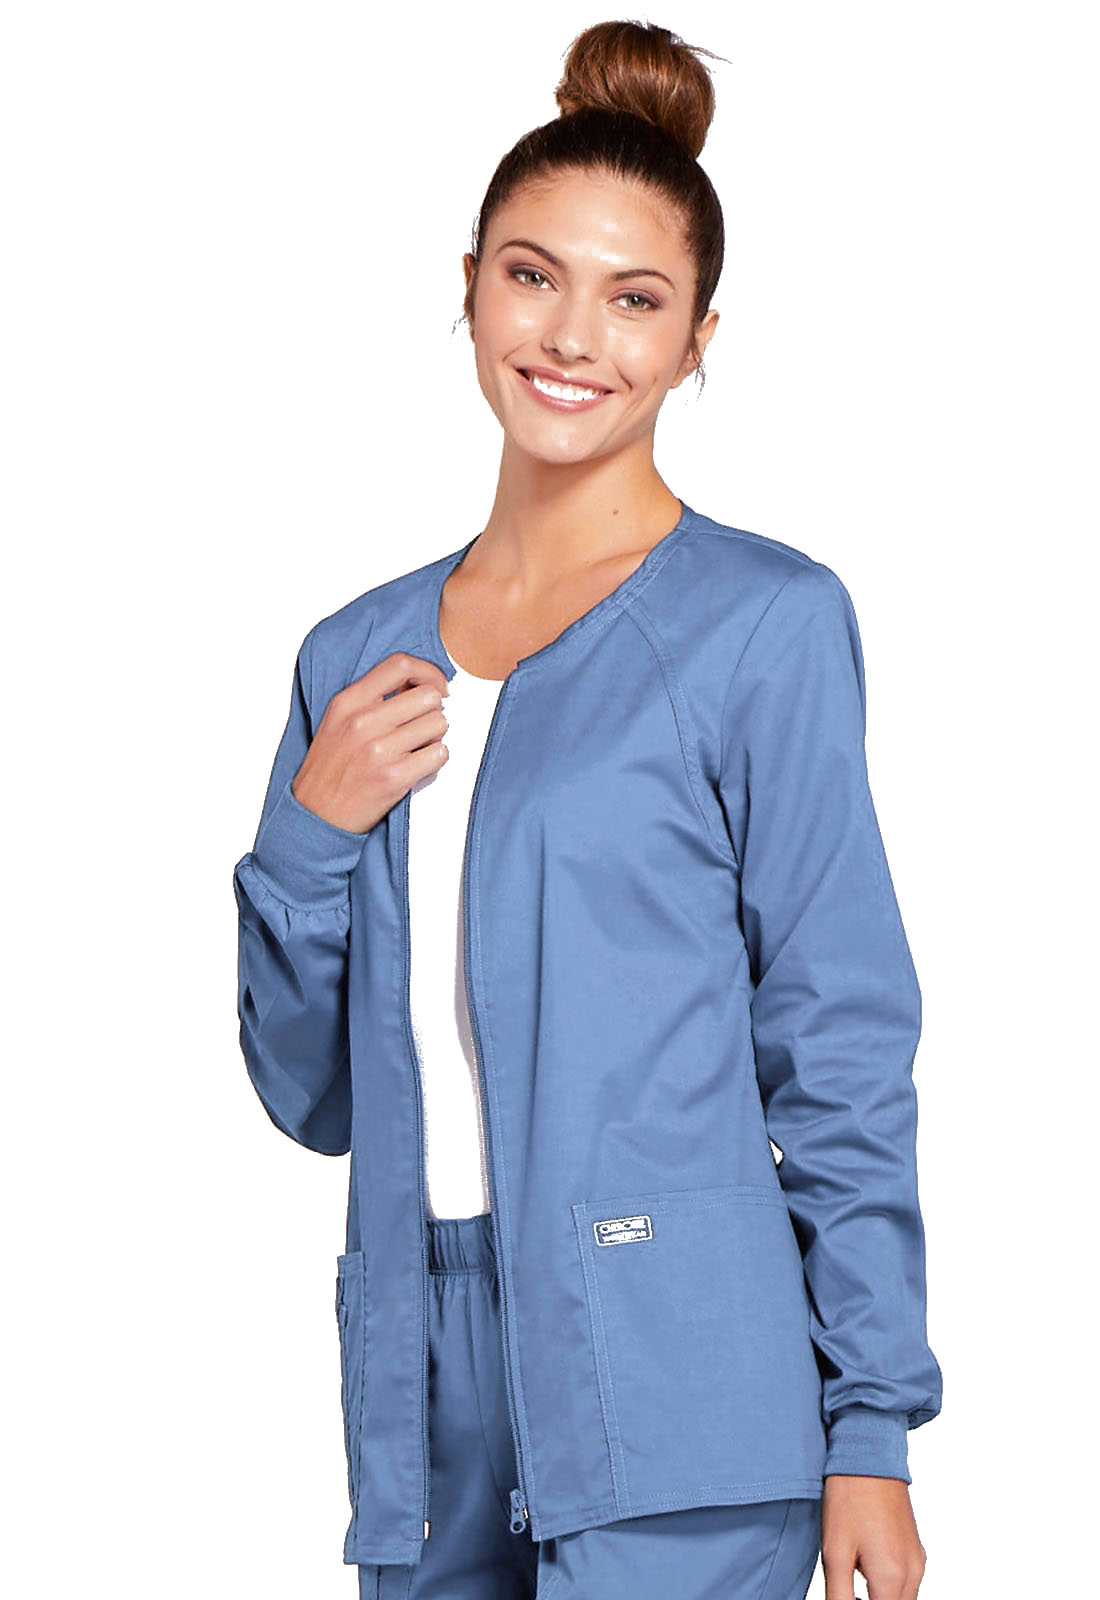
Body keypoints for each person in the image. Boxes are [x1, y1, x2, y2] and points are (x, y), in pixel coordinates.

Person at [233, 19, 942, 1600]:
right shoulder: (357, 655)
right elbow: (310, 1095)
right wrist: (306, 839)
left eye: (636, 299)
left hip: (682, 1373)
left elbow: (838, 1039)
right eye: (533, 276)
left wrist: (872, 1426)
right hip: (418, 1377)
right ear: (470, 285)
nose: (572, 337)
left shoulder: (763, 625)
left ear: (696, 340)